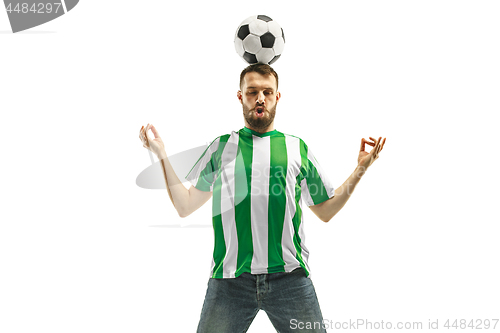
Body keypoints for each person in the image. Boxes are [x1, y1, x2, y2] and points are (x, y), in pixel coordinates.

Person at [138, 63, 386, 332]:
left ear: (277, 97)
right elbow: (185, 206)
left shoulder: (297, 148)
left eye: (267, 92)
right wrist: (161, 153)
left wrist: (361, 167)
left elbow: (325, 211)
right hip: (230, 280)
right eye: (252, 91)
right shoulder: (222, 147)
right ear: (240, 96)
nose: (260, 98)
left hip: (289, 279)